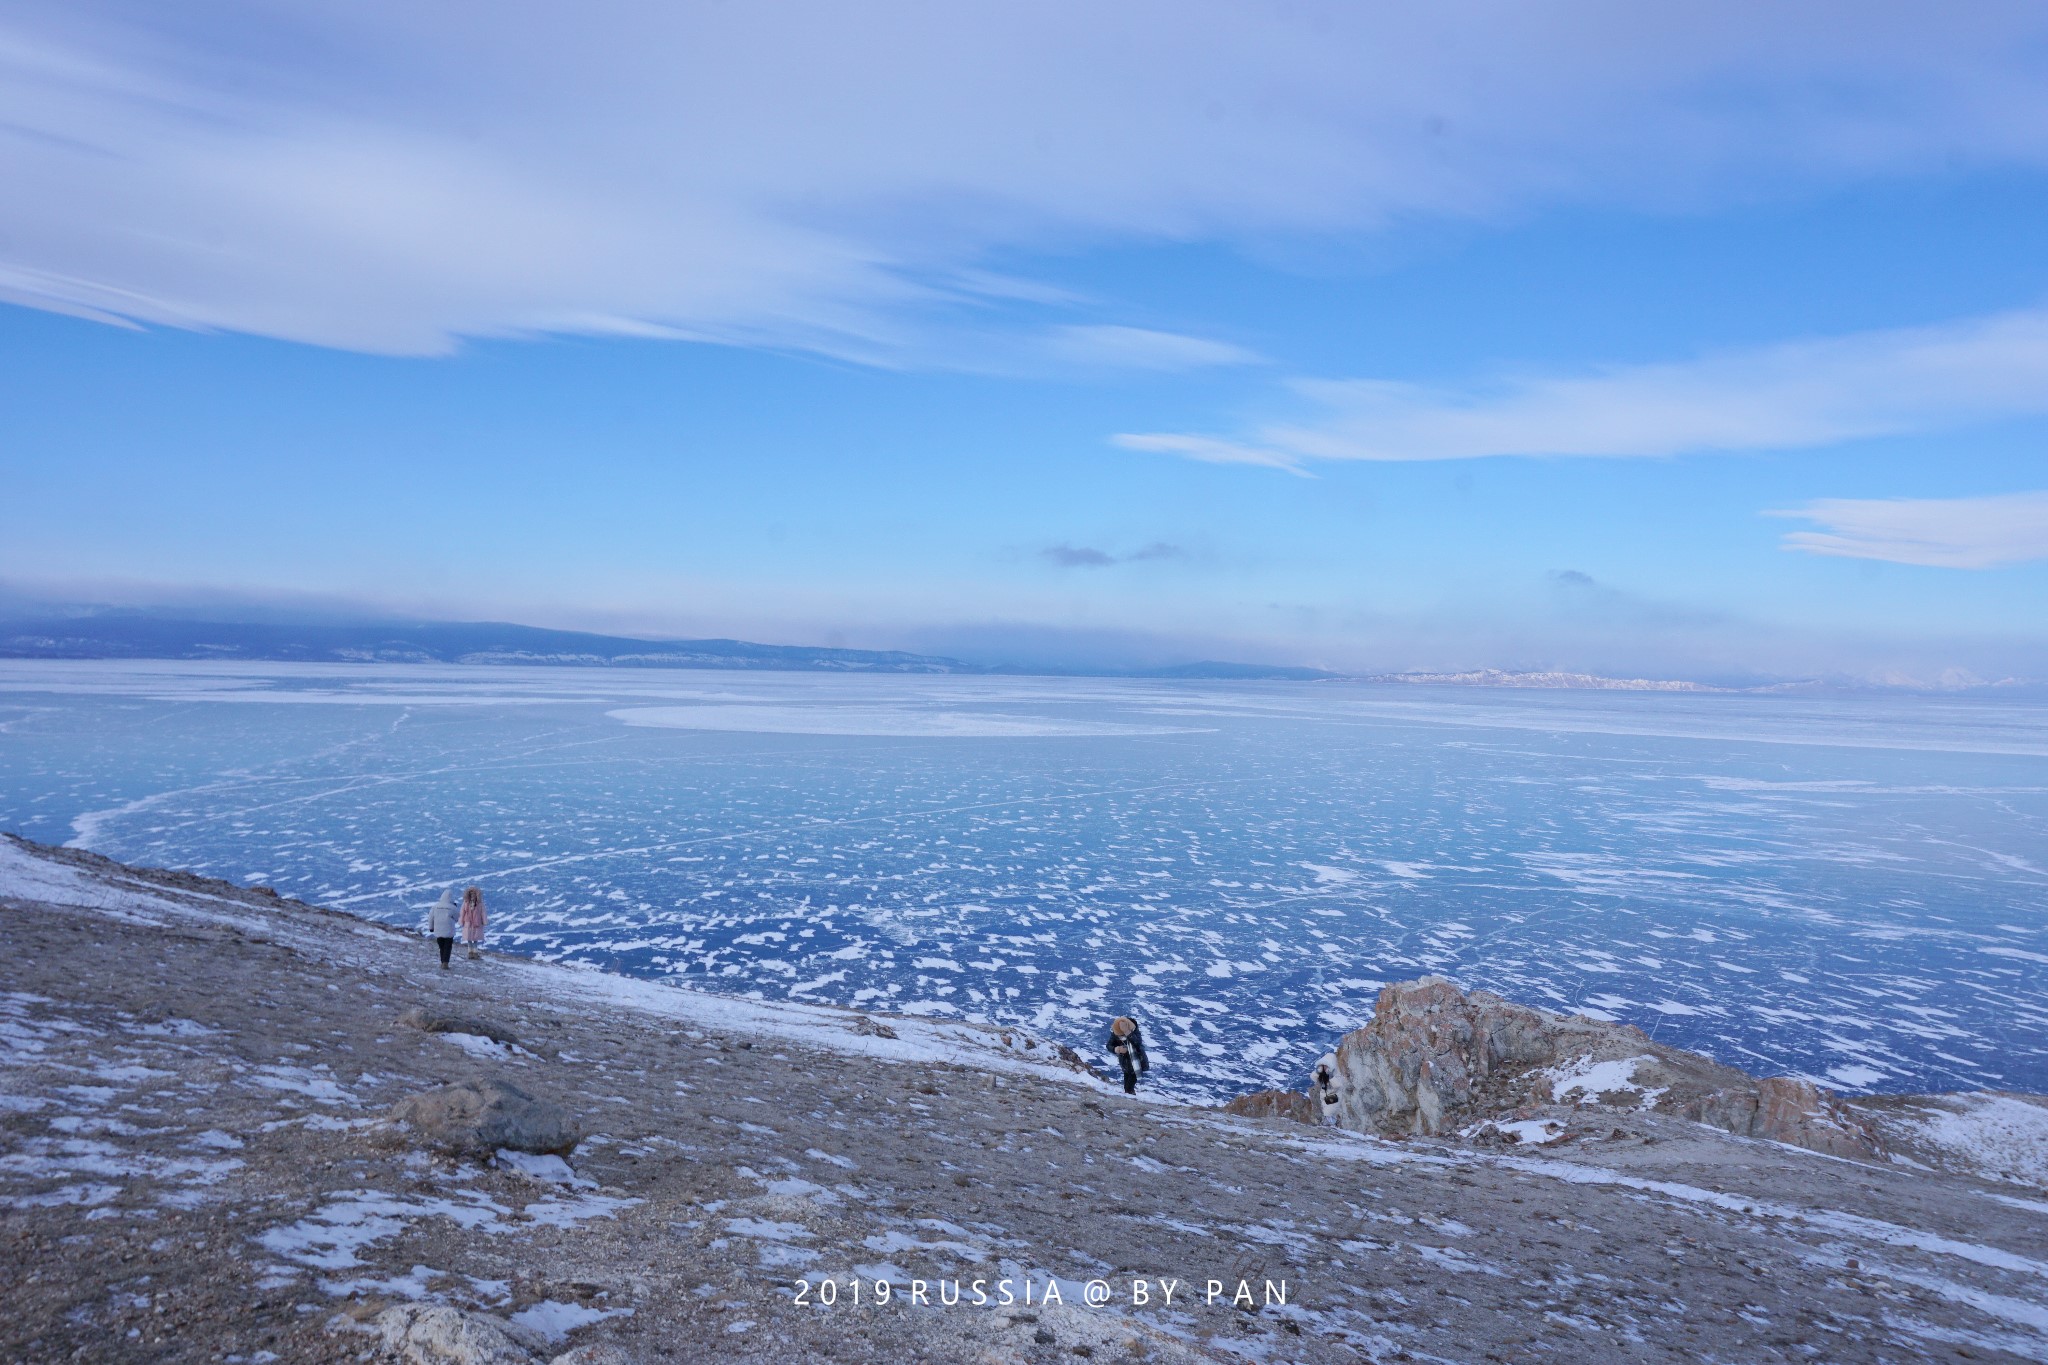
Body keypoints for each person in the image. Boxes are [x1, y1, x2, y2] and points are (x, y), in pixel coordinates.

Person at [1106, 1015, 1150, 1095]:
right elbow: (1109, 1045)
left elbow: (1137, 1043)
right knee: (1126, 1086)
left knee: (1130, 1086)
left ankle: (1131, 1097)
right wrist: (1117, 1049)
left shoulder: (1134, 1031)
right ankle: (1130, 1097)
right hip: (1125, 1062)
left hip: (1137, 1062)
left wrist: (1127, 1033)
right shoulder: (1116, 1031)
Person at [428, 888, 457, 969]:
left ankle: (442, 961)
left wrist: (431, 928)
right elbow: (457, 918)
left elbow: (430, 918)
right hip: (449, 931)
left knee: (441, 947)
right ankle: (445, 962)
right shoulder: (452, 907)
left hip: (438, 930)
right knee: (448, 947)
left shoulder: (435, 906)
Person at [459, 885, 487, 960]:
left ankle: (474, 953)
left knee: (475, 938)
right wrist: (461, 921)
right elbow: (462, 912)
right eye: (471, 893)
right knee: (469, 938)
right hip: (468, 923)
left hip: (476, 923)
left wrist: (484, 921)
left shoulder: (479, 903)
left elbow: (483, 912)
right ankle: (470, 953)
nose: (472, 895)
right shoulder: (465, 902)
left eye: (474, 893)